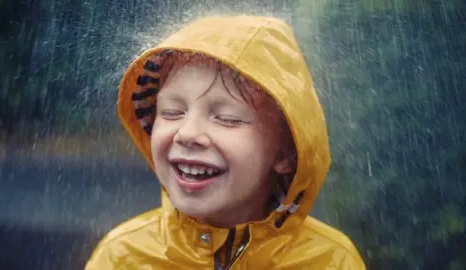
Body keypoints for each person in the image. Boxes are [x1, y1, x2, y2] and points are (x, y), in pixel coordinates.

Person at [85, 15, 366, 269]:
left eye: (227, 118)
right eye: (172, 112)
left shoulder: (331, 262)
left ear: (286, 152)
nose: (188, 133)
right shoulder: (122, 258)